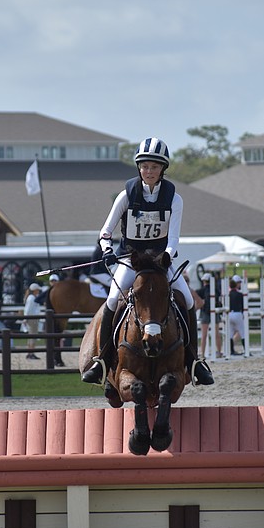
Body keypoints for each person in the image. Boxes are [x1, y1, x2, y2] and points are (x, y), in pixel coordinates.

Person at [82, 137, 214, 386]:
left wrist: (167, 255)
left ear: (162, 169)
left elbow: (173, 238)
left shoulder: (174, 198)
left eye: (154, 167)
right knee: (112, 299)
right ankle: (102, 360)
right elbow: (105, 232)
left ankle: (195, 362)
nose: (149, 172)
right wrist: (107, 249)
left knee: (186, 300)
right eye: (144, 167)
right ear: (138, 168)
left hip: (160, 262)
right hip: (131, 260)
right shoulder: (126, 195)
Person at [197, 273, 222, 360]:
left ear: (204, 281)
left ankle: (202, 353)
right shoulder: (216, 290)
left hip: (205, 313)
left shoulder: (201, 290)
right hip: (215, 312)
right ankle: (219, 352)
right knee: (217, 334)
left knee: (204, 335)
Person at [228, 275, 246, 355]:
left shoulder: (228, 294)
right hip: (237, 313)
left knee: (230, 333)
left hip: (229, 314)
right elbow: (242, 306)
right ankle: (246, 349)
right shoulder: (240, 294)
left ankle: (231, 350)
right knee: (242, 332)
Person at [23, 283, 42, 359]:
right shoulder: (31, 298)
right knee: (32, 336)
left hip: (32, 318)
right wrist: (26, 318)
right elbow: (28, 309)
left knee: (31, 336)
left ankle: (30, 352)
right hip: (32, 319)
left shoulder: (32, 297)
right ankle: (31, 353)